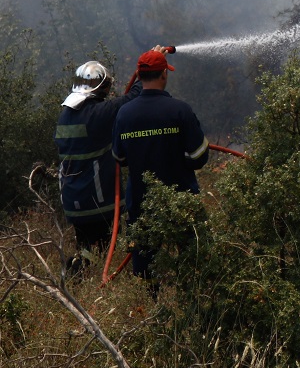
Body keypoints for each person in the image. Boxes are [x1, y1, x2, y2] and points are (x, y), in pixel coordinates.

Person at [111, 48, 209, 277]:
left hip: (141, 203)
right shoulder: (180, 110)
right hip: (182, 200)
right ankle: (192, 300)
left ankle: (151, 303)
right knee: (193, 261)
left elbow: (119, 158)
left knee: (145, 269)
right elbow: (199, 156)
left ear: (140, 76)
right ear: (164, 74)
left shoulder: (124, 114)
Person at [55, 55, 153, 271]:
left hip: (73, 199)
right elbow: (133, 98)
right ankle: (77, 273)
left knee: (87, 244)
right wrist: (146, 68)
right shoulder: (97, 114)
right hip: (97, 200)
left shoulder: (66, 115)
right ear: (101, 88)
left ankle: (75, 269)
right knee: (101, 246)